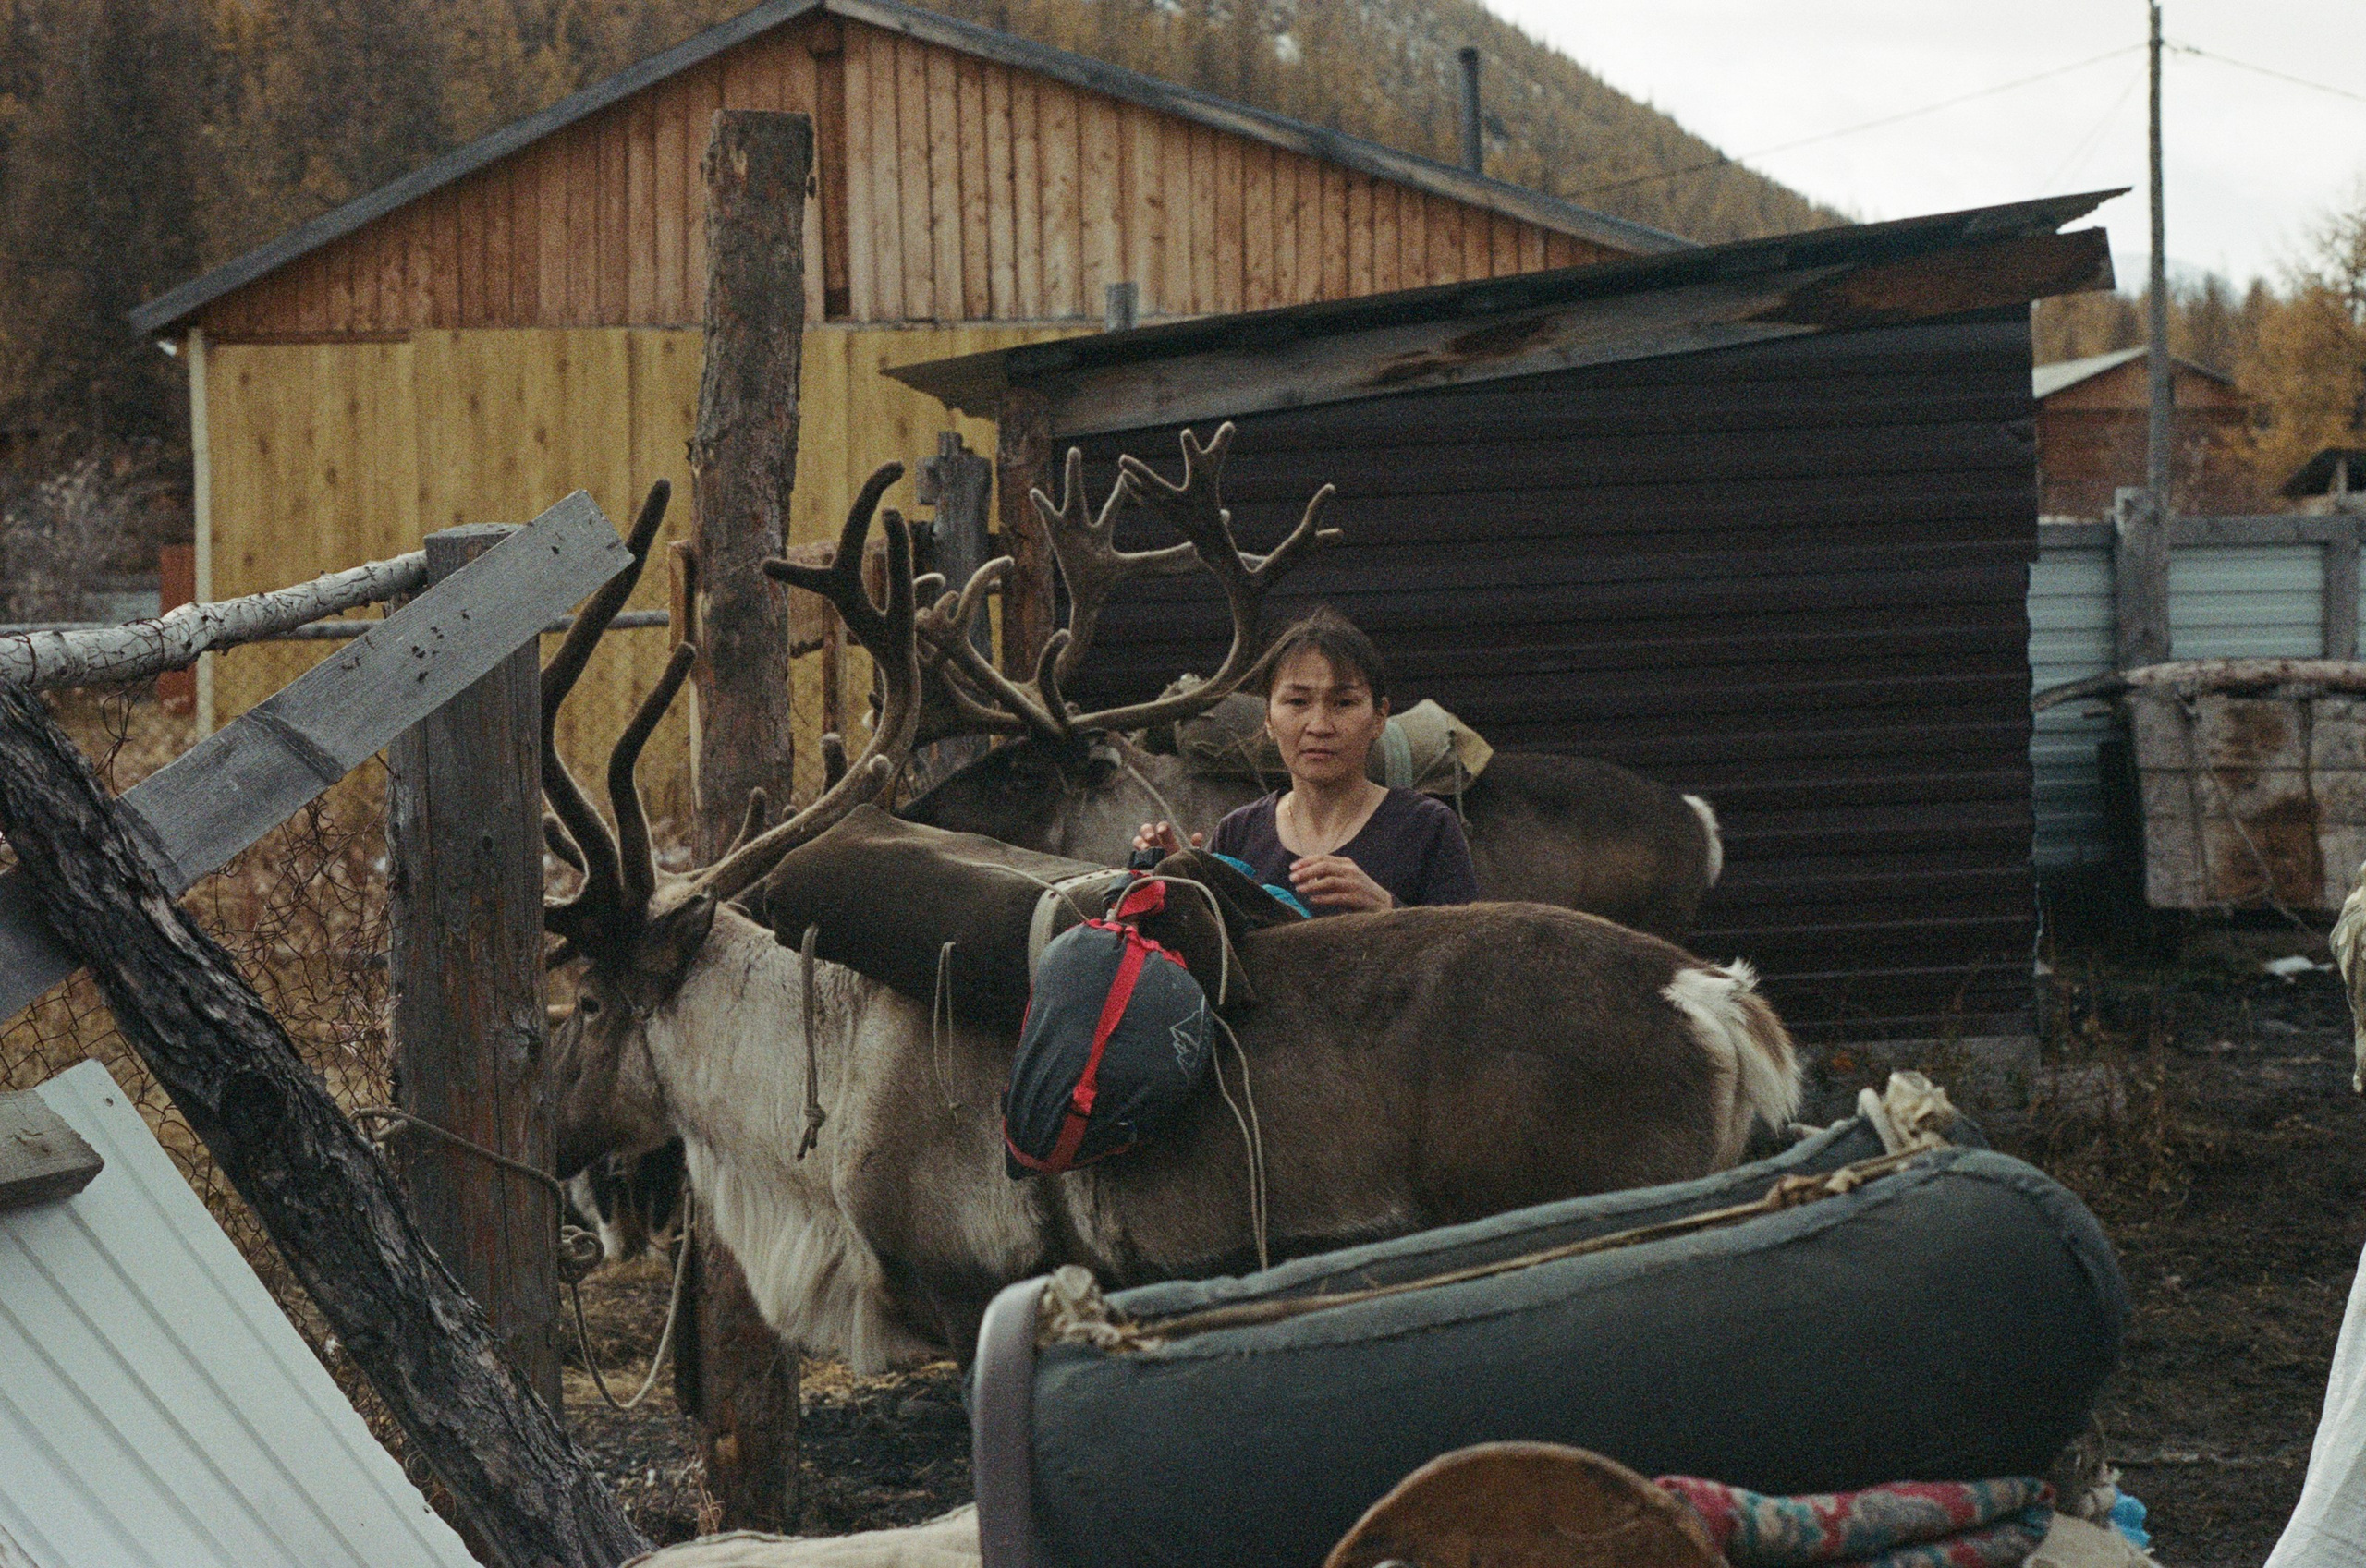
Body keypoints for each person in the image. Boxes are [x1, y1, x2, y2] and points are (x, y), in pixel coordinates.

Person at [1133, 607, 1480, 914]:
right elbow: (1221, 966)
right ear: (1268, 717)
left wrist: (1386, 908)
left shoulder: (1427, 828)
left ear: (1379, 717)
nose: (1319, 726)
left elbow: (1468, 961)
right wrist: (1180, 887)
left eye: (1343, 703)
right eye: (1298, 702)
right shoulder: (1238, 834)